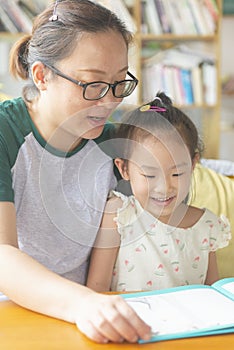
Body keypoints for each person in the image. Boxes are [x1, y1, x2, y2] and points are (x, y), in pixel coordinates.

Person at [0, 0, 151, 344]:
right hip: (14, 316)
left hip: (89, 320)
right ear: (41, 76)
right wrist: (85, 304)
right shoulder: (5, 133)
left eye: (118, 83)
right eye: (92, 84)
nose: (109, 101)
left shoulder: (112, 144)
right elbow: (2, 255)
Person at [86, 92, 231, 292]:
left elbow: (212, 295)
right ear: (124, 169)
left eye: (177, 174)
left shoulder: (206, 226)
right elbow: (96, 291)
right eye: (149, 175)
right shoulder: (118, 216)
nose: (164, 188)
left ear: (193, 164)